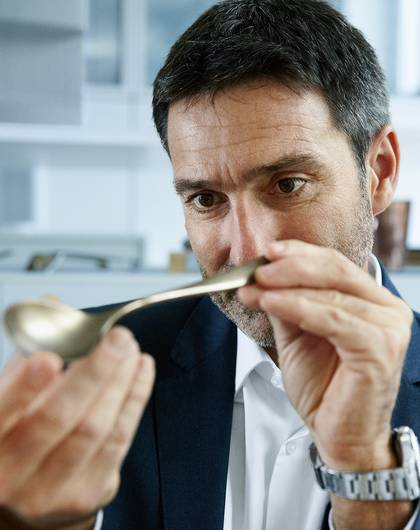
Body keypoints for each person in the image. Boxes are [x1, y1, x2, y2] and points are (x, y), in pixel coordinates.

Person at [0, 0, 420, 529]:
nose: (247, 250)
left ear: (379, 171)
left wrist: (368, 477)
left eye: (288, 184)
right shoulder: (89, 376)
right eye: (205, 199)